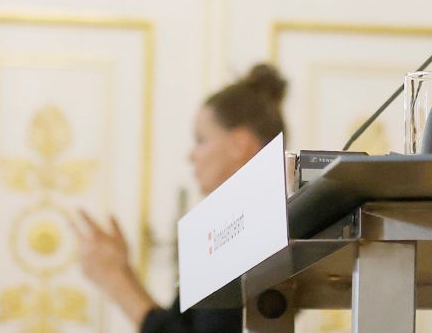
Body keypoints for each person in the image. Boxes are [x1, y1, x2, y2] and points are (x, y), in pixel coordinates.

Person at [75, 64, 288, 332]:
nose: (191, 155)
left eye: (201, 140)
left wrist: (117, 280)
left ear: (239, 144)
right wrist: (120, 274)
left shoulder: (249, 230)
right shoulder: (243, 225)